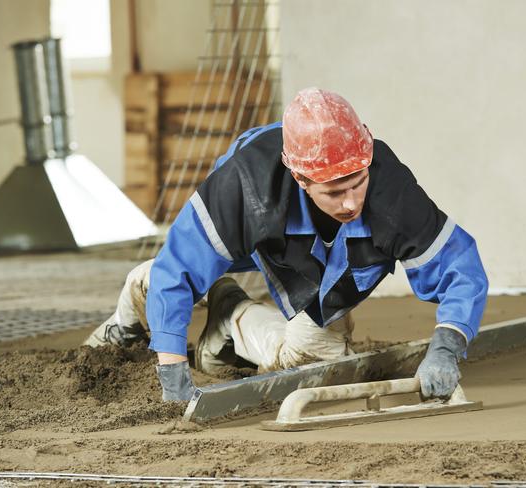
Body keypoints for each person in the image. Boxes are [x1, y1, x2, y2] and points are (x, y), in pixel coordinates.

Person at [84, 87, 488, 403]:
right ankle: (134, 300)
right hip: (255, 237)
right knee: (167, 278)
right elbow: (179, 271)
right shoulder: (243, 185)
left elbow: (460, 267)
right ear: (301, 178)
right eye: (334, 190)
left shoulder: (390, 190)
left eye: (357, 184)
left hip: (321, 262)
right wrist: (173, 375)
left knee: (320, 358)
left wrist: (447, 346)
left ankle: (228, 316)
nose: (351, 202)